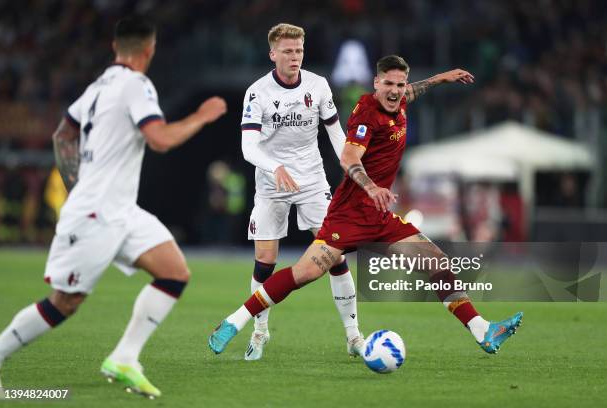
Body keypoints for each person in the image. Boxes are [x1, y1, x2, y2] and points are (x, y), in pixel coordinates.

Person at [209, 55, 522, 356]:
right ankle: (234, 322)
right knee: (302, 274)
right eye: (388, 84)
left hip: (380, 216)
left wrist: (442, 78)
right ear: (376, 82)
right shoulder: (367, 111)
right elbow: (349, 157)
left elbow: (415, 90)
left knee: (437, 262)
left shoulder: (399, 101)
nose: (396, 91)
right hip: (349, 216)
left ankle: (483, 330)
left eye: (400, 85)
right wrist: (372, 186)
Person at [0, 16, 227, 399]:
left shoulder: (98, 86)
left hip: (120, 210)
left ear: (115, 47)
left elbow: (62, 134)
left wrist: (76, 184)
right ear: (149, 50)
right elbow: (160, 139)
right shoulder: (136, 85)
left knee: (174, 272)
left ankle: (124, 357)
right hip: (96, 212)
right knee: (65, 303)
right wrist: (201, 117)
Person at [239, 23, 363, 361]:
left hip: (311, 181)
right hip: (270, 183)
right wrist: (273, 166)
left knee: (334, 255)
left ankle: (353, 336)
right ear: (273, 54)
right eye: (288, 51)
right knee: (266, 259)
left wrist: (352, 168)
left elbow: (336, 133)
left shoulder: (318, 85)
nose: (295, 57)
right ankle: (260, 332)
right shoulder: (257, 93)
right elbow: (248, 145)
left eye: (299, 51)